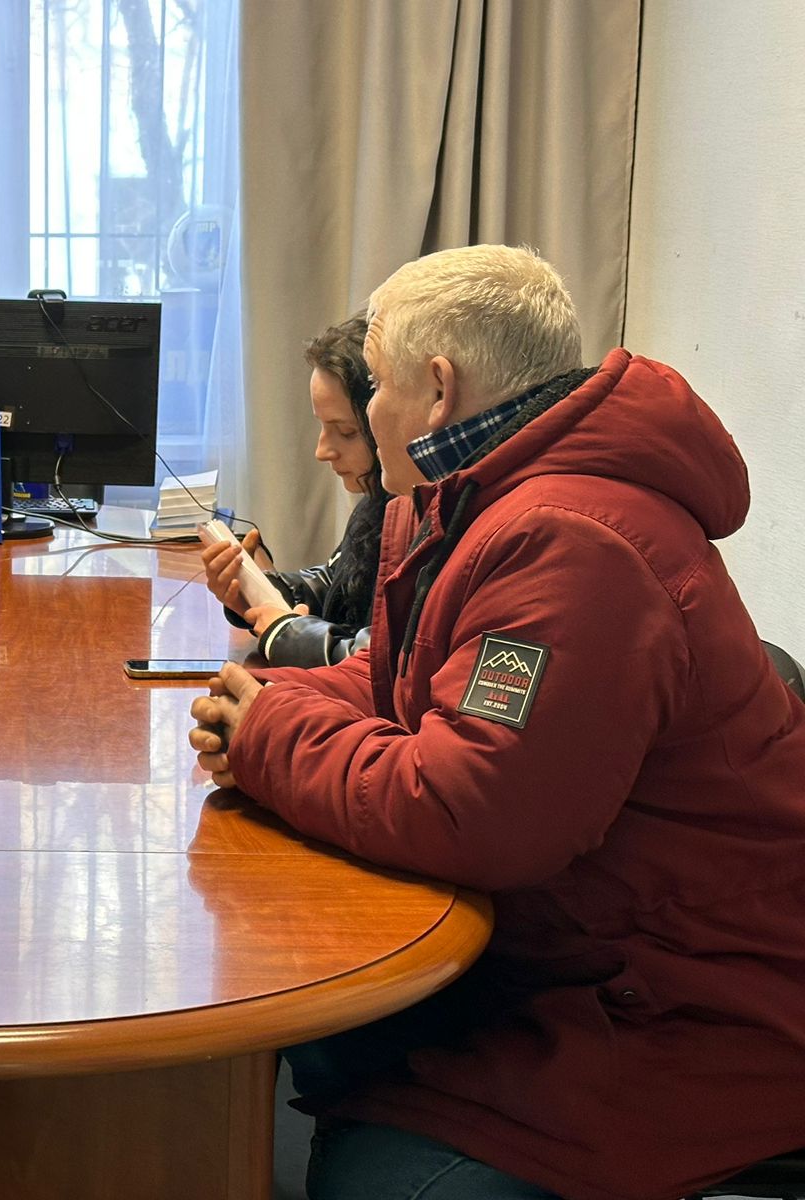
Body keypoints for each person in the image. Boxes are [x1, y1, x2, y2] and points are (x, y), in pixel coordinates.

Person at [190, 244, 805, 1199]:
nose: (367, 416)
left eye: (377, 386)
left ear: (439, 391)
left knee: (372, 1170)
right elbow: (398, 685)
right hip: (577, 951)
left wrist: (270, 736)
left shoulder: (572, 544)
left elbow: (471, 809)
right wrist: (269, 707)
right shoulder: (466, 503)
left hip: (684, 1007)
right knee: (303, 1017)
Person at [200, 315, 384, 667]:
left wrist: (285, 632)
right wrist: (258, 590)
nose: (322, 451)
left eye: (346, 431)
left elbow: (380, 661)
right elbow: (338, 584)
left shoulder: (423, 511)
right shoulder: (377, 505)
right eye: (322, 426)